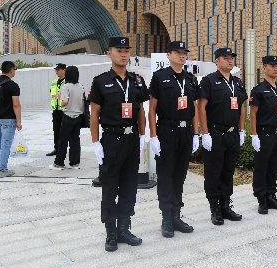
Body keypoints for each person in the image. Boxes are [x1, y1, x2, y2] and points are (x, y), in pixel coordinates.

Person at [89, 36, 149, 252]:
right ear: (109, 53)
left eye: (126, 50)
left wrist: (142, 136)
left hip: (132, 139)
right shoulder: (100, 81)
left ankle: (124, 229)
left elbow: (140, 110)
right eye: (118, 50)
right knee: (110, 187)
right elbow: (94, 115)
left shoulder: (137, 80)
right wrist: (96, 143)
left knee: (129, 186)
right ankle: (111, 233)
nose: (123, 54)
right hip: (111, 141)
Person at [148, 41, 199, 238]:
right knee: (166, 175)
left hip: (186, 132)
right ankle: (166, 218)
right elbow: (152, 109)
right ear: (168, 55)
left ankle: (176, 216)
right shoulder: (160, 76)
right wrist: (153, 136)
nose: (182, 55)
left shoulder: (190, 78)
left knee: (179, 175)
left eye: (184, 52)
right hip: (166, 131)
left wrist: (196, 134)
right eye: (177, 52)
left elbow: (194, 108)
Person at [197, 47, 247, 225]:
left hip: (233, 134)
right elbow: (201, 107)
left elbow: (241, 107)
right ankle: (215, 209)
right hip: (215, 133)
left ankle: (226, 206)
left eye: (231, 57)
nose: (230, 60)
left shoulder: (237, 82)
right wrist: (205, 134)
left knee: (228, 171)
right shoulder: (209, 81)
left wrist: (242, 130)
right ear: (217, 61)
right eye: (225, 58)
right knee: (213, 172)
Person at [249, 55, 277, 214]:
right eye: (272, 66)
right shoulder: (258, 90)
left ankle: (271, 196)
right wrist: (254, 135)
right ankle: (261, 199)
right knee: (261, 168)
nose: (275, 68)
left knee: (273, 167)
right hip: (264, 135)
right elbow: (253, 115)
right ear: (264, 68)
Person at [51, 66, 85, 170]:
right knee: (75, 140)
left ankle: (59, 163)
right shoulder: (80, 86)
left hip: (68, 116)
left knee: (63, 140)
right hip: (79, 116)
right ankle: (75, 163)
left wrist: (61, 104)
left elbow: (65, 101)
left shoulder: (66, 86)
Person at [0, 61, 22, 178]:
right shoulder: (13, 85)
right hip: (8, 119)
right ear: (11, 70)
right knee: (6, 143)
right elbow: (16, 105)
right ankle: (2, 170)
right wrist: (19, 121)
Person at [47, 63, 66, 156]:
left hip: (65, 110)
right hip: (56, 110)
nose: (56, 71)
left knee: (65, 130)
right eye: (56, 70)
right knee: (56, 129)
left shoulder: (68, 82)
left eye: (58, 70)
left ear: (64, 70)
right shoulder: (54, 82)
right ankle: (57, 148)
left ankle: (64, 149)